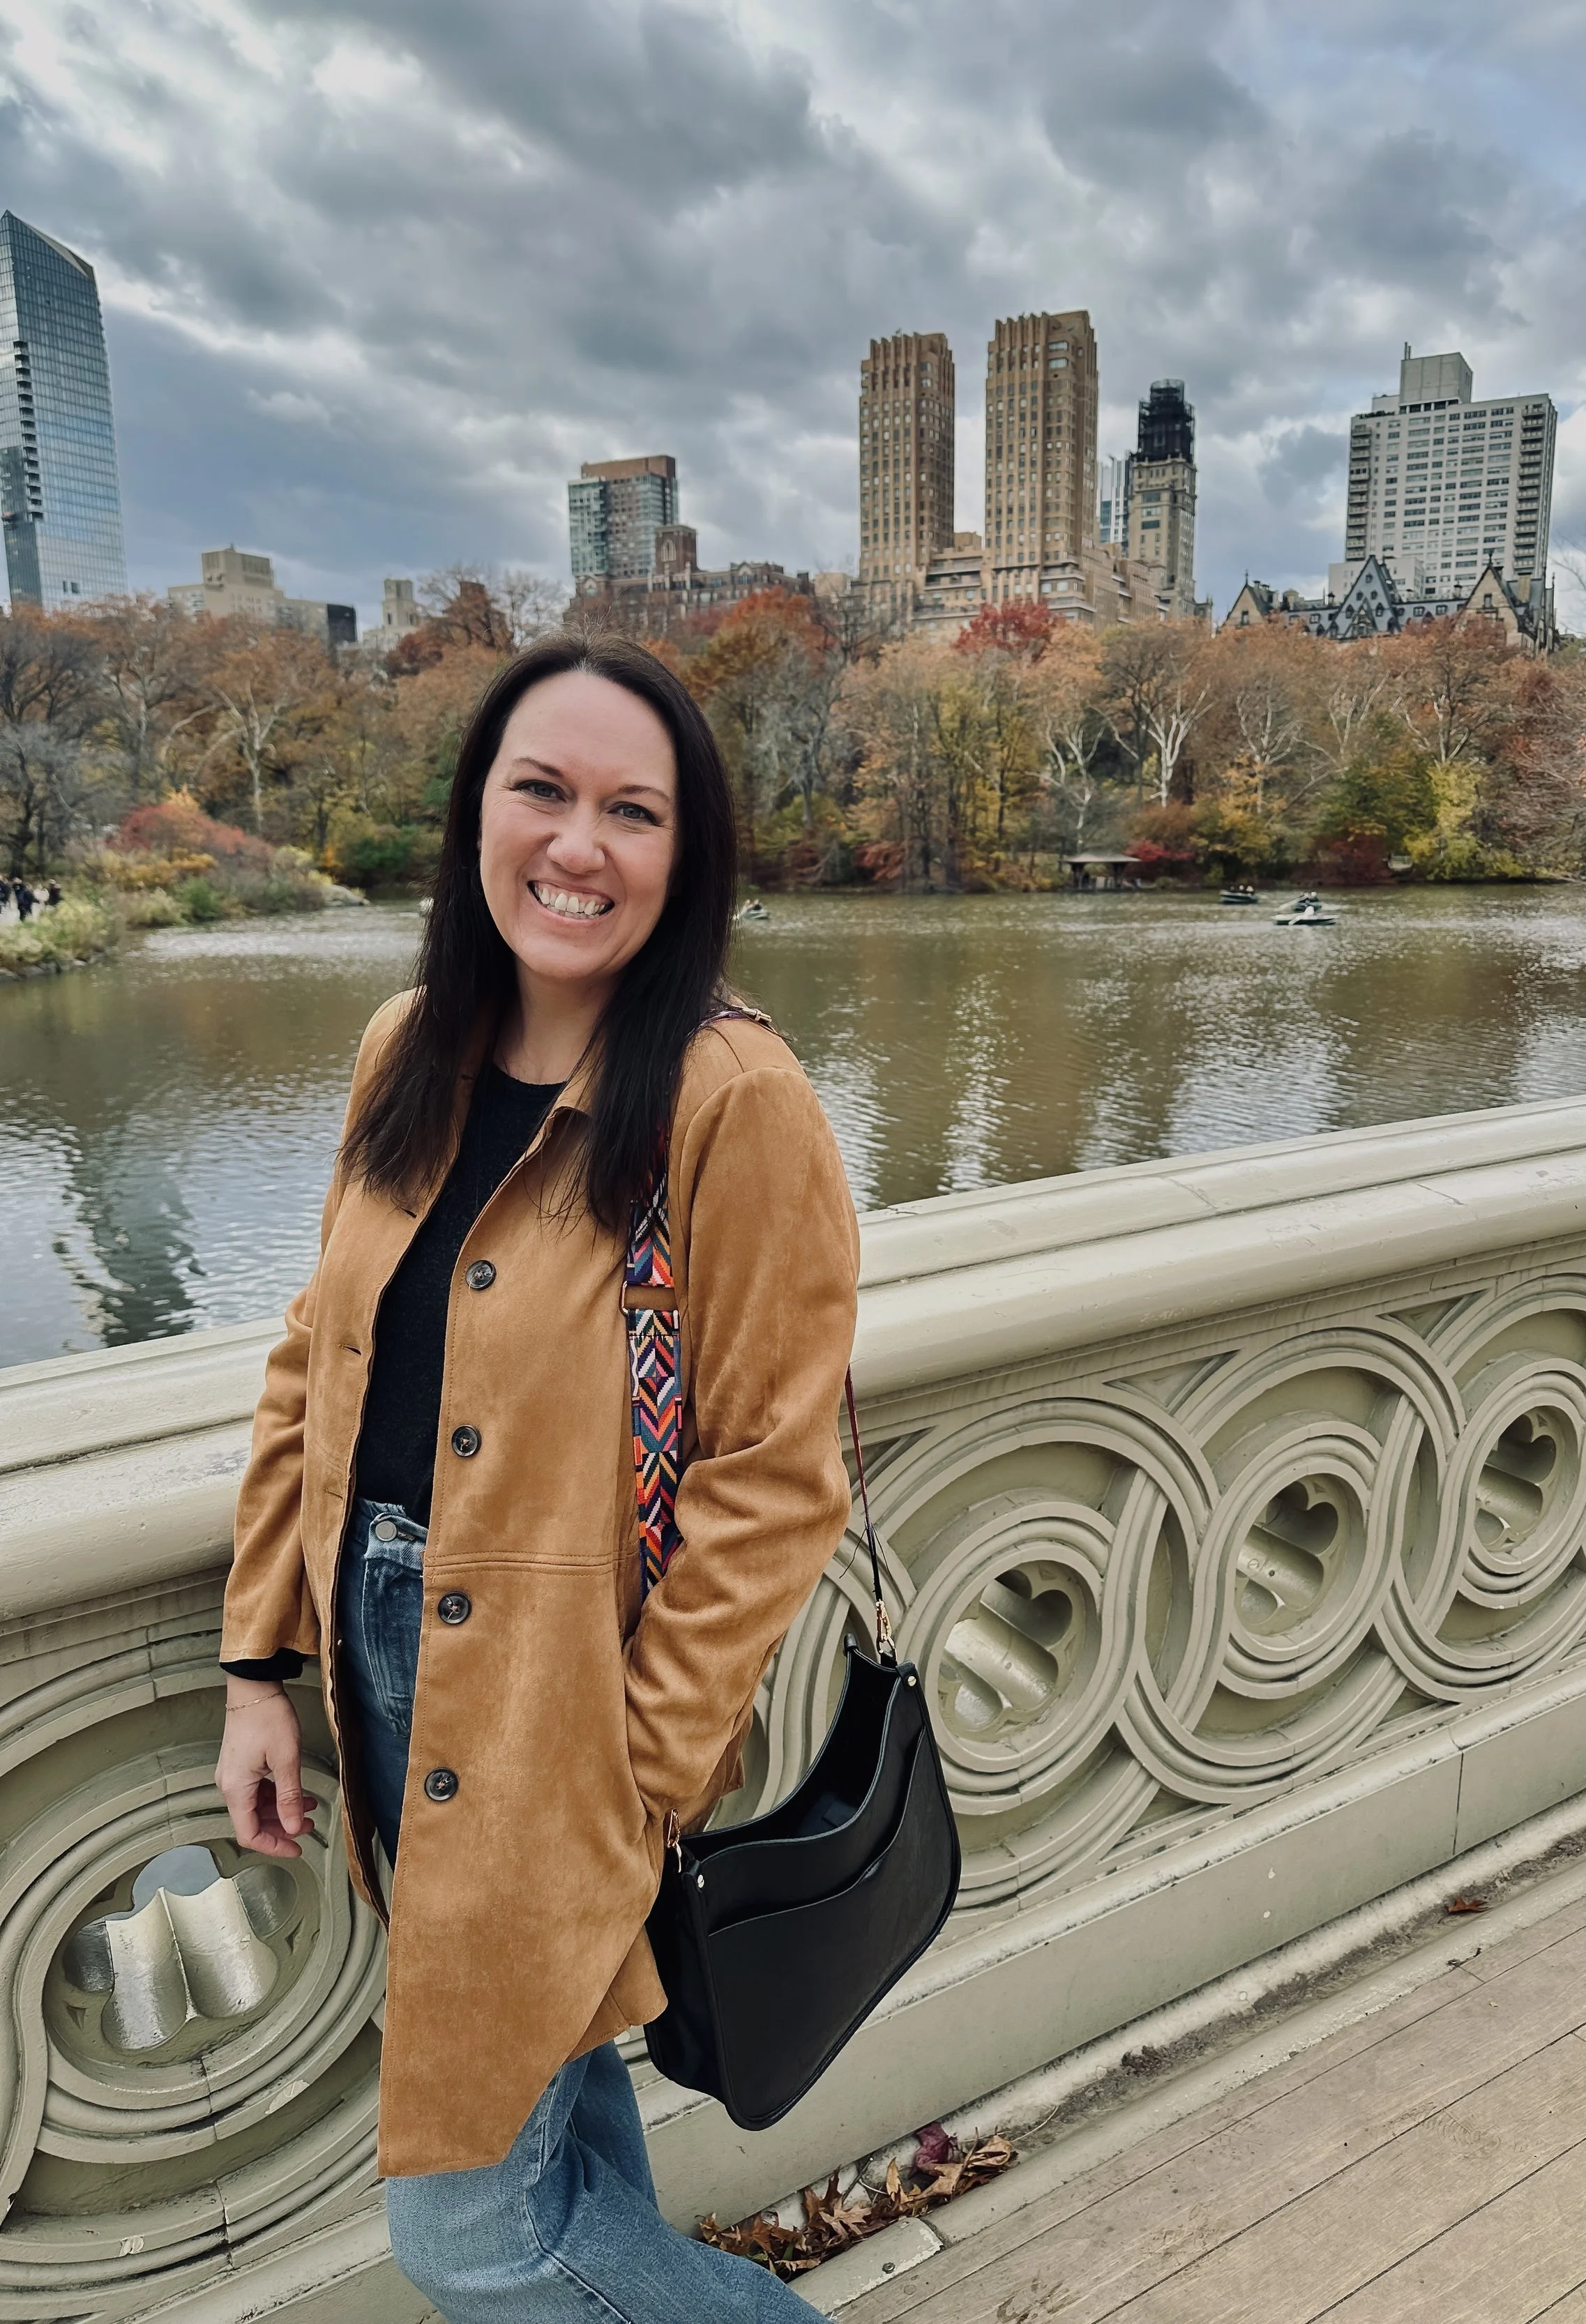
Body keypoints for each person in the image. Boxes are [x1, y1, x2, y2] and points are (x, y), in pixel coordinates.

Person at [216, 633, 859, 2322]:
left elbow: (776, 1475)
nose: (578, 845)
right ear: (476, 814)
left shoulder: (731, 1100)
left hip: (559, 1714)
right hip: (377, 1663)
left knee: (481, 2232)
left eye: (632, 811)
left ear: (684, 855)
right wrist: (257, 1666)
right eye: (542, 790)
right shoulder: (403, 1045)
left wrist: (633, 1767)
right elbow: (317, 1362)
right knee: (557, 2134)